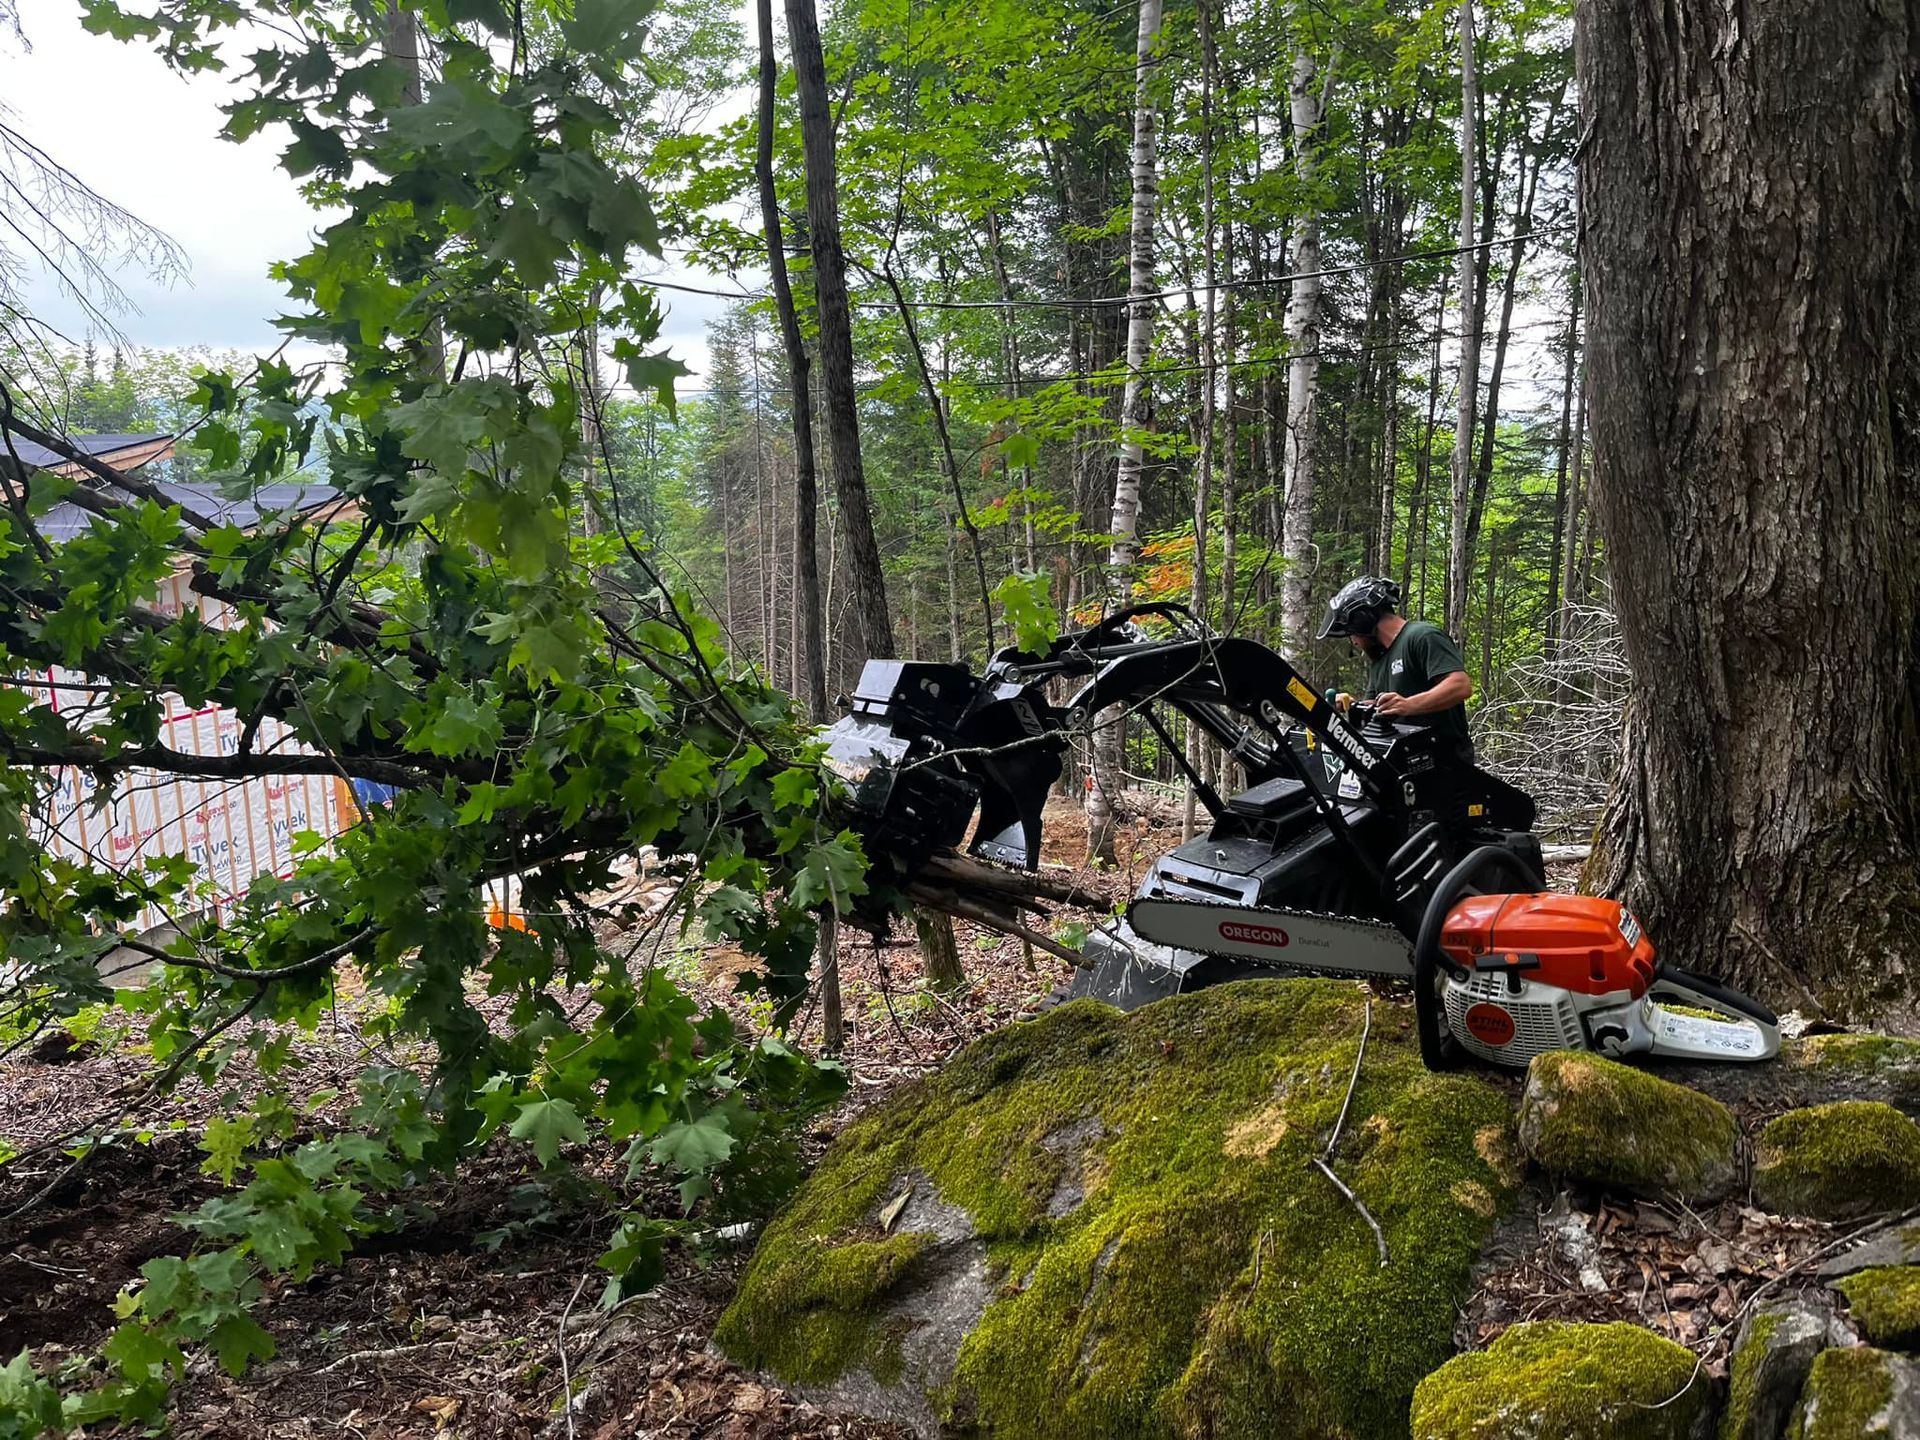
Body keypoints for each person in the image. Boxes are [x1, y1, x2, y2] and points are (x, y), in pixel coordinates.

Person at [1315, 575, 1474, 758]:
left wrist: (1408, 705)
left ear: (1362, 620)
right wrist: (1353, 706)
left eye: (1352, 633)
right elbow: (1379, 707)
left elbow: (1460, 685)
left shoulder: (1422, 636)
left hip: (1447, 761)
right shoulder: (1380, 659)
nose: (1354, 642)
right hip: (1406, 761)